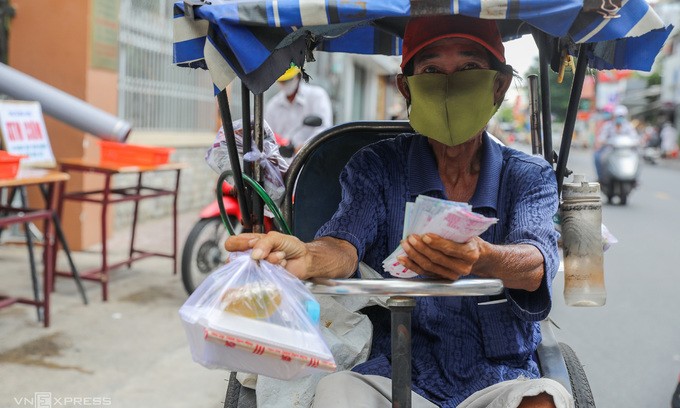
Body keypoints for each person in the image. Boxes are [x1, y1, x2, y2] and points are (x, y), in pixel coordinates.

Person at [226, 14, 572, 408]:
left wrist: (485, 259)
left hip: (499, 379)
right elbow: (344, 244)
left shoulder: (528, 176)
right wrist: (308, 256)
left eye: (470, 67)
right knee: (336, 393)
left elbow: (535, 262)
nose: (449, 84)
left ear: (499, 84)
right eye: (431, 70)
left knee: (546, 399)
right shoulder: (377, 166)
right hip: (397, 375)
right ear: (406, 87)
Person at [264, 66, 333, 152]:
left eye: (288, 80)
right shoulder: (272, 106)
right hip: (281, 162)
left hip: (310, 159)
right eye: (282, 82)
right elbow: (268, 137)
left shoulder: (317, 96)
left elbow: (324, 129)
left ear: (298, 76)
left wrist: (305, 147)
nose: (285, 84)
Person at [593, 105, 638, 181]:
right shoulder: (608, 126)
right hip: (610, 150)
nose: (619, 118)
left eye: (621, 116)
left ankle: (634, 179)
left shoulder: (628, 126)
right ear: (614, 116)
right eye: (618, 116)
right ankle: (601, 178)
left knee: (638, 158)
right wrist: (601, 142)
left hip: (626, 151)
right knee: (597, 156)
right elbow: (601, 138)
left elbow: (635, 138)